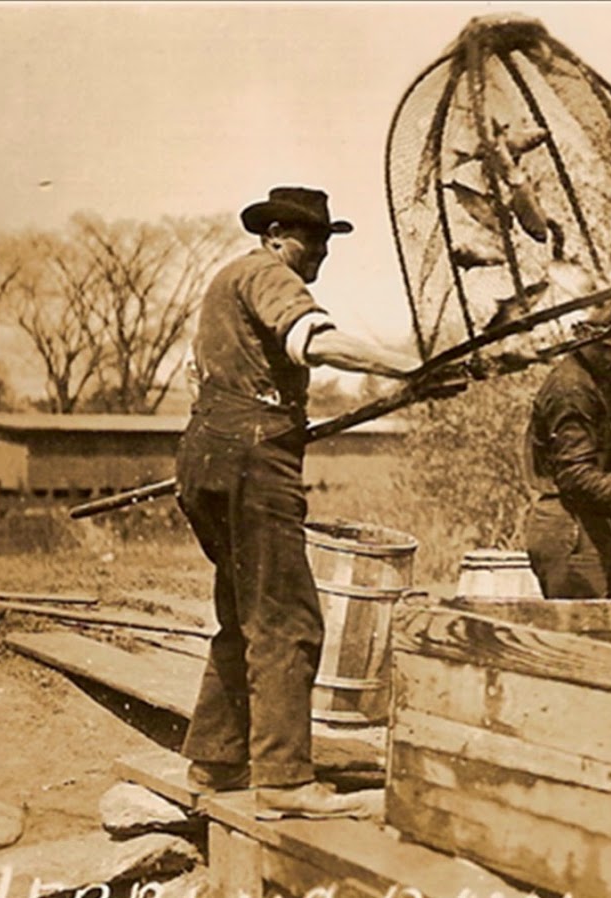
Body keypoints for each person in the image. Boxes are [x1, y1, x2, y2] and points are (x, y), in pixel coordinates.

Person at [177, 186, 424, 819]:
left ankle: (216, 759)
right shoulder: (267, 274)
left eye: (327, 243)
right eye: (313, 240)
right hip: (253, 463)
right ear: (278, 234)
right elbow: (313, 340)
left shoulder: (225, 281)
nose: (320, 255)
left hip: (207, 454)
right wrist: (404, 367)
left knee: (244, 613)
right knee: (287, 619)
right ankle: (285, 783)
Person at [523, 300, 611, 598]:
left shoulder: (601, 370)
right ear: (584, 342)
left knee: (598, 624)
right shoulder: (570, 389)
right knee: (582, 634)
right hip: (570, 531)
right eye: (605, 348)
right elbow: (574, 472)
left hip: (593, 527)